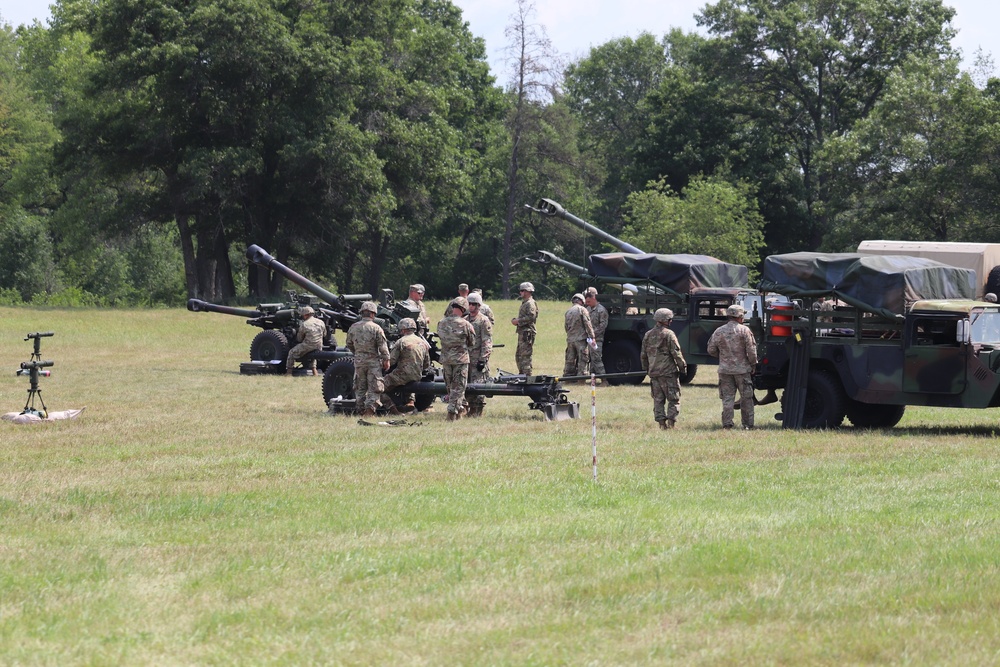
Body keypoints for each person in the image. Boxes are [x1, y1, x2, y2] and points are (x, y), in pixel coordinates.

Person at [707, 304, 758, 430]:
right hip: (742, 370)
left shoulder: (719, 331)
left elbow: (711, 349)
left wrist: (723, 357)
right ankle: (747, 425)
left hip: (725, 370)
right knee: (746, 398)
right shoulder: (745, 330)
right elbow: (751, 351)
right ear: (739, 316)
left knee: (727, 398)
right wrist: (753, 364)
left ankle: (727, 424)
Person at [641, 308, 687, 429]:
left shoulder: (648, 334)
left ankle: (662, 424)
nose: (671, 321)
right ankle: (671, 424)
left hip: (654, 373)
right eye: (669, 319)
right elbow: (676, 353)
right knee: (673, 398)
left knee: (658, 399)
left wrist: (647, 369)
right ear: (664, 320)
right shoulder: (669, 334)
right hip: (668, 372)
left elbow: (643, 355)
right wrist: (683, 367)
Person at [346, 301, 390, 417]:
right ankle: (370, 410)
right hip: (373, 363)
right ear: (373, 314)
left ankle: (360, 410)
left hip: (359, 362)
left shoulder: (353, 327)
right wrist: (386, 360)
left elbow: (349, 344)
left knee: (360, 388)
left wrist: (358, 353)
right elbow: (383, 347)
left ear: (362, 313)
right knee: (375, 387)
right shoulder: (376, 328)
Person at [378, 318, 431, 414]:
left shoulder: (401, 342)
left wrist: (381, 365)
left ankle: (393, 410)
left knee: (377, 388)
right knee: (409, 381)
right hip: (417, 375)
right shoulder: (423, 343)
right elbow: (427, 363)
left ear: (403, 329)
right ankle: (410, 402)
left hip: (401, 375)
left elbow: (392, 361)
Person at [437, 296, 476, 420]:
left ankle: (458, 411)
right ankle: (452, 413)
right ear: (463, 309)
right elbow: (472, 343)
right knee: (458, 387)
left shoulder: (441, 323)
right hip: (460, 359)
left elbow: (441, 338)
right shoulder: (466, 324)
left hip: (446, 359)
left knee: (450, 387)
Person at [464, 292, 493, 417]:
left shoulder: (483, 321)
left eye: (474, 304)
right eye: (469, 304)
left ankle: (477, 409)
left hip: (478, 358)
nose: (471, 307)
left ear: (479, 305)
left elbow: (487, 341)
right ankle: (470, 408)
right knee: (467, 383)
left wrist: (483, 359)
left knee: (478, 384)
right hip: (466, 358)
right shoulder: (465, 320)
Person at [286, 306, 327, 376]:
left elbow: (299, 339)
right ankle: (315, 372)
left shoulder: (304, 324)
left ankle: (289, 373)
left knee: (291, 353)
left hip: (308, 345)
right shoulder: (321, 322)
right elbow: (325, 334)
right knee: (313, 356)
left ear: (305, 315)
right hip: (319, 345)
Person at [563, 293, 596, 378]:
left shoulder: (568, 311)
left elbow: (566, 327)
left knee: (570, 360)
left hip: (570, 339)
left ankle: (568, 377)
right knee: (582, 359)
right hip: (581, 340)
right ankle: (581, 378)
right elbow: (587, 324)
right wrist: (592, 337)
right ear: (582, 301)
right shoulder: (582, 310)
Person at [511, 282, 538, 375]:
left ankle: (527, 376)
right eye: (520, 290)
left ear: (528, 291)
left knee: (525, 356)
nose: (520, 292)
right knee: (519, 356)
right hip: (523, 332)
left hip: (527, 333)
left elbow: (531, 317)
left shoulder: (530, 303)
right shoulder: (525, 303)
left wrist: (518, 321)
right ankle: (522, 374)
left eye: (522, 290)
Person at [584, 287, 608, 377]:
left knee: (597, 359)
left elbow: (603, 326)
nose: (587, 303)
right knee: (591, 360)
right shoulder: (588, 309)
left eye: (589, 301)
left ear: (594, 298)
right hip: (590, 339)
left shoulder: (601, 310)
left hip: (597, 339)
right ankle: (593, 378)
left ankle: (603, 378)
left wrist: (592, 334)